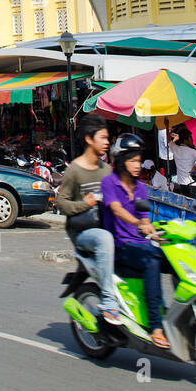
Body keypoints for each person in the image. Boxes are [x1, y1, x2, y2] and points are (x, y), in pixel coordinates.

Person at [101, 133, 170, 349]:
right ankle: (156, 326)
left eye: (139, 160)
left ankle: (181, 312)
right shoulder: (109, 182)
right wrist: (140, 225)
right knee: (152, 261)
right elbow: (117, 210)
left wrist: (155, 233)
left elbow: (145, 218)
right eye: (132, 160)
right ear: (121, 161)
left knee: (176, 258)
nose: (137, 165)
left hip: (141, 244)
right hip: (120, 247)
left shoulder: (140, 187)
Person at [55, 116, 120, 325]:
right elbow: (61, 203)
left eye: (108, 138)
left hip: (105, 227)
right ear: (89, 139)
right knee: (104, 239)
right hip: (82, 233)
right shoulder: (75, 170)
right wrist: (85, 204)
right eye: (103, 138)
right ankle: (109, 302)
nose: (107, 142)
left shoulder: (106, 170)